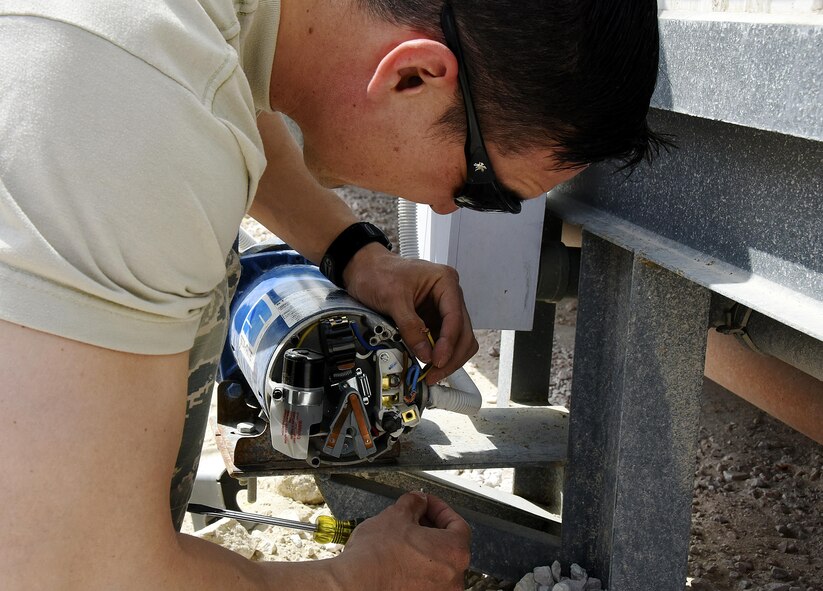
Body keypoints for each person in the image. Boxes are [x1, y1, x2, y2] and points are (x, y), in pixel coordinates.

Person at [0, 0, 664, 589]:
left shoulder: (190, 37)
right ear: (413, 74)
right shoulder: (125, 107)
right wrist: (356, 577)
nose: (445, 207)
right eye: (477, 189)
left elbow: (224, 103)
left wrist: (354, 254)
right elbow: (80, 572)